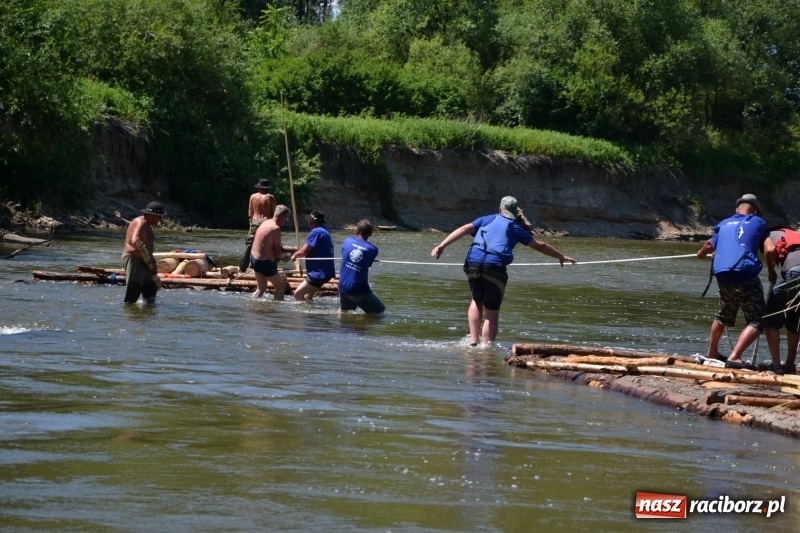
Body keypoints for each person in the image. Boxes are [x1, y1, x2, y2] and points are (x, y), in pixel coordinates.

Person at [430, 196, 576, 347]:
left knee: (476, 300)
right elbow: (540, 245)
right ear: (516, 213)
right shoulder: (515, 227)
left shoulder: (487, 219)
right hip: (495, 266)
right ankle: (486, 348)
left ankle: (473, 342)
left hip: (473, 262)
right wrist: (561, 256)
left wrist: (442, 245)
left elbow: (465, 229)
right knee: (492, 311)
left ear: (500, 209)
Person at [696, 194, 770, 369]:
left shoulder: (724, 223)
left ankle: (711, 352)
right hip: (744, 276)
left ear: (737, 209)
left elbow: (709, 245)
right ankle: (734, 357)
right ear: (756, 211)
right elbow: (769, 248)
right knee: (757, 320)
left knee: (723, 316)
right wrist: (772, 271)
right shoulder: (758, 222)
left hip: (723, 277)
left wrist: (700, 254)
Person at [763, 226, 800, 375]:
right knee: (795, 320)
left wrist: (771, 272)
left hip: (794, 272)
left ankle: (777, 366)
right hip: (796, 272)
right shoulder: (793, 234)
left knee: (770, 319)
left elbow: (770, 250)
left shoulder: (767, 235)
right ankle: (789, 365)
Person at [122, 201, 165, 304]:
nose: (160, 220)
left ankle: (148, 312)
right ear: (151, 215)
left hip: (144, 261)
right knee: (133, 290)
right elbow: (135, 240)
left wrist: (151, 262)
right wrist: (146, 255)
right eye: (158, 217)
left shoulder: (147, 225)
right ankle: (129, 311)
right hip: (134, 259)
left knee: (151, 288)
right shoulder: (140, 222)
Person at [338, 219, 385, 314]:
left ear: (356, 231)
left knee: (343, 311)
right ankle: (364, 324)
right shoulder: (373, 249)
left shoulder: (347, 241)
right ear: (370, 234)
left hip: (342, 286)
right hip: (358, 289)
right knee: (379, 311)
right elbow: (367, 264)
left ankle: (340, 323)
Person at [290, 209, 335, 301]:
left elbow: (304, 251)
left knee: (298, 294)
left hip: (318, 274)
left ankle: (302, 311)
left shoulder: (316, 232)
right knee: (308, 296)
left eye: (309, 220)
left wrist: (294, 255)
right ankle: (311, 310)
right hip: (327, 272)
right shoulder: (324, 231)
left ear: (313, 221)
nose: (308, 222)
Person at [250, 205, 290, 300]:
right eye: (286, 218)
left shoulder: (266, 222)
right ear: (283, 217)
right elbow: (277, 251)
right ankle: (276, 309)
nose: (286, 221)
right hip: (264, 262)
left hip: (254, 258)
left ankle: (252, 304)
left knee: (261, 287)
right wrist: (281, 258)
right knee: (281, 286)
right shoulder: (275, 229)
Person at [239, 179, 277, 272]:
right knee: (268, 244)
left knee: (250, 245)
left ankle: (244, 266)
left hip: (255, 222)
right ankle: (269, 265)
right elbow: (275, 213)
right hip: (267, 222)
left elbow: (250, 213)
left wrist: (251, 224)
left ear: (259, 188)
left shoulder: (253, 196)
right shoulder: (271, 197)